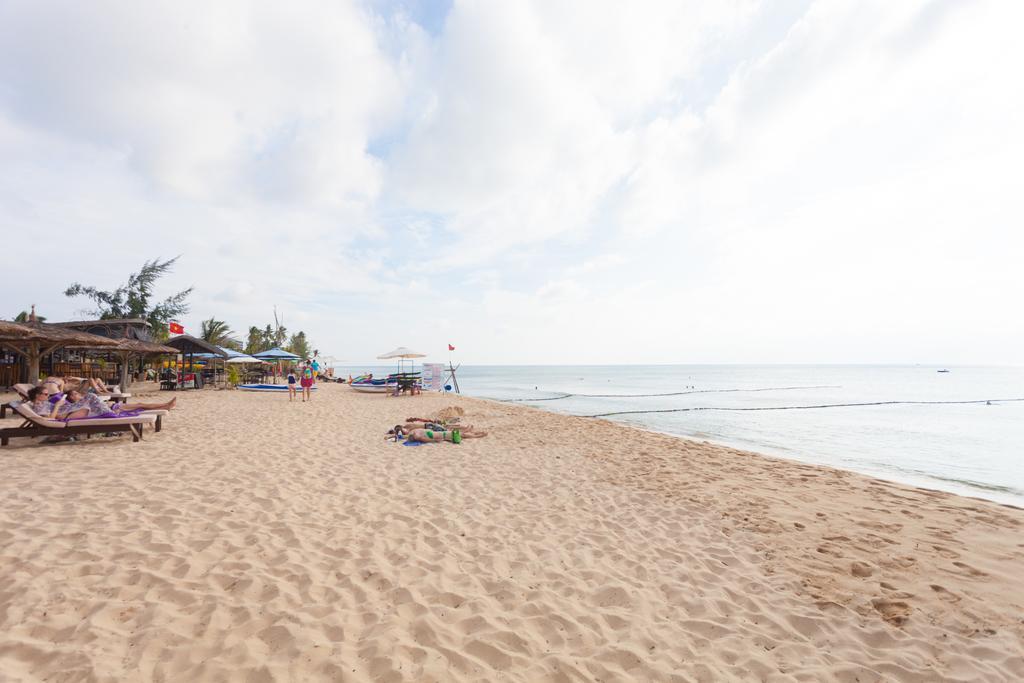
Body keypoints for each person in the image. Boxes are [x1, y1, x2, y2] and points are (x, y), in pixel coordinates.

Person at [58, 388, 176, 419]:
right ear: (72, 397)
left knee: (140, 404)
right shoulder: (79, 404)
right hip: (114, 408)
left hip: (112, 406)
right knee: (140, 405)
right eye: (76, 393)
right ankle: (166, 405)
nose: (78, 394)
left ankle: (165, 405)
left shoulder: (82, 402)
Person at [404, 427, 487, 444]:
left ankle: (475, 434)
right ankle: (478, 436)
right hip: (441, 435)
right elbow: (424, 439)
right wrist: (435, 441)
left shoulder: (415, 433)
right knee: (462, 435)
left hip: (441, 434)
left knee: (461, 435)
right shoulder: (417, 436)